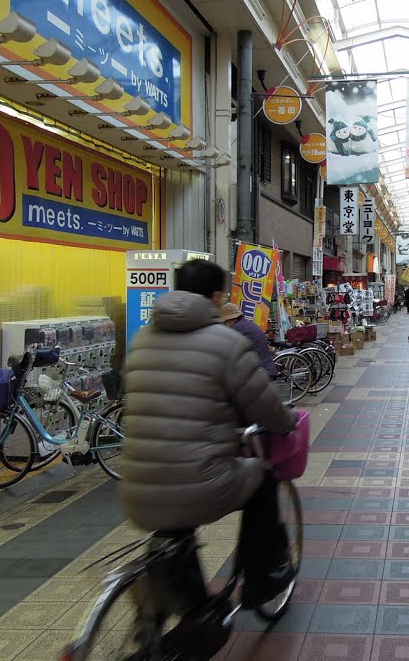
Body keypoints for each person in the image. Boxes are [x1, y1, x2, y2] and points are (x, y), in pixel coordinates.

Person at [119, 259, 297, 608]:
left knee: (174, 523)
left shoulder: (142, 340)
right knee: (262, 482)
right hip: (198, 481)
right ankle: (261, 581)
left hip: (135, 486)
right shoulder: (225, 343)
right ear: (217, 297)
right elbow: (263, 405)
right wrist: (286, 423)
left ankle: (172, 610)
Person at [221, 302, 277, 377]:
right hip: (264, 369)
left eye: (225, 322)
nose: (224, 324)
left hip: (259, 372)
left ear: (232, 319)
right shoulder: (246, 323)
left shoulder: (237, 328)